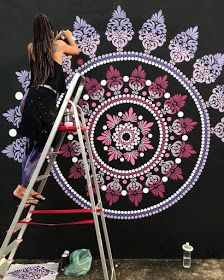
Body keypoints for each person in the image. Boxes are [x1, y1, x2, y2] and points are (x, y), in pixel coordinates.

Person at [13, 13, 80, 206]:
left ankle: (22, 187)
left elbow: (43, 57)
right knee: (43, 144)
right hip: (45, 97)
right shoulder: (58, 45)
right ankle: (23, 187)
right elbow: (76, 50)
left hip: (30, 97)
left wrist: (54, 39)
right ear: (50, 31)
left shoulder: (31, 47)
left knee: (31, 144)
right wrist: (67, 35)